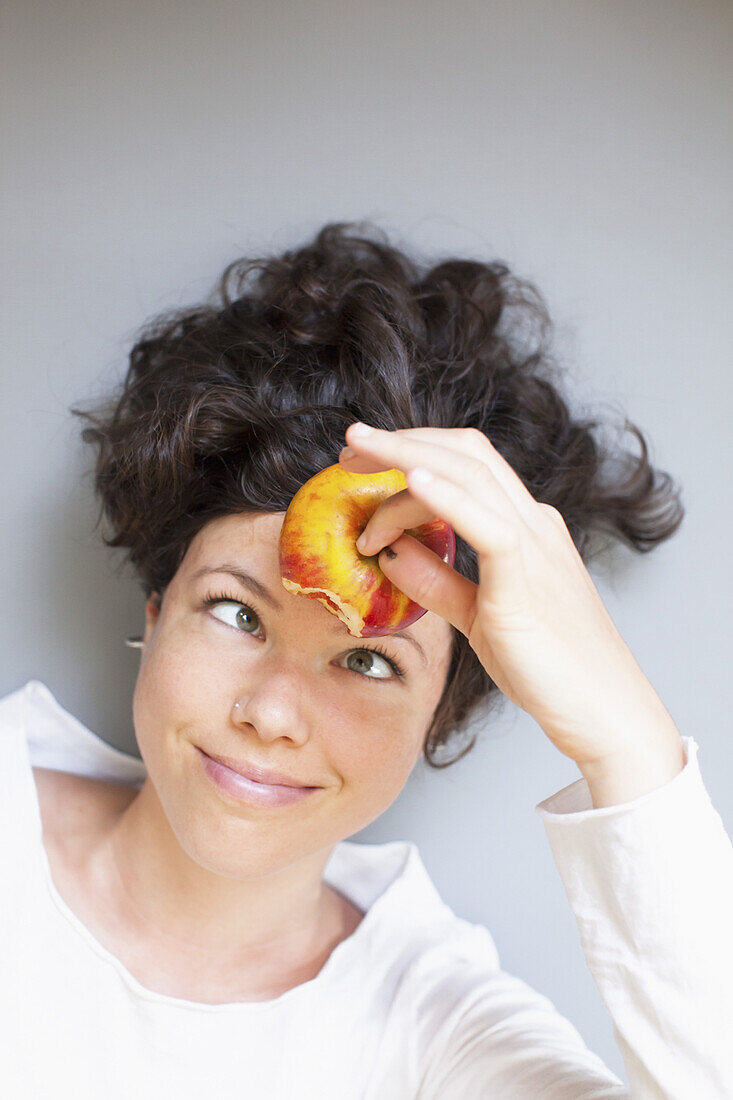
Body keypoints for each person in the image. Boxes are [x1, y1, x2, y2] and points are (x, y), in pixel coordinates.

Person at [2, 221, 731, 1097]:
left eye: (368, 663)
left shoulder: (440, 1031)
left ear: (441, 718)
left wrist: (623, 738)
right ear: (156, 613)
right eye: (236, 612)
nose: (269, 715)